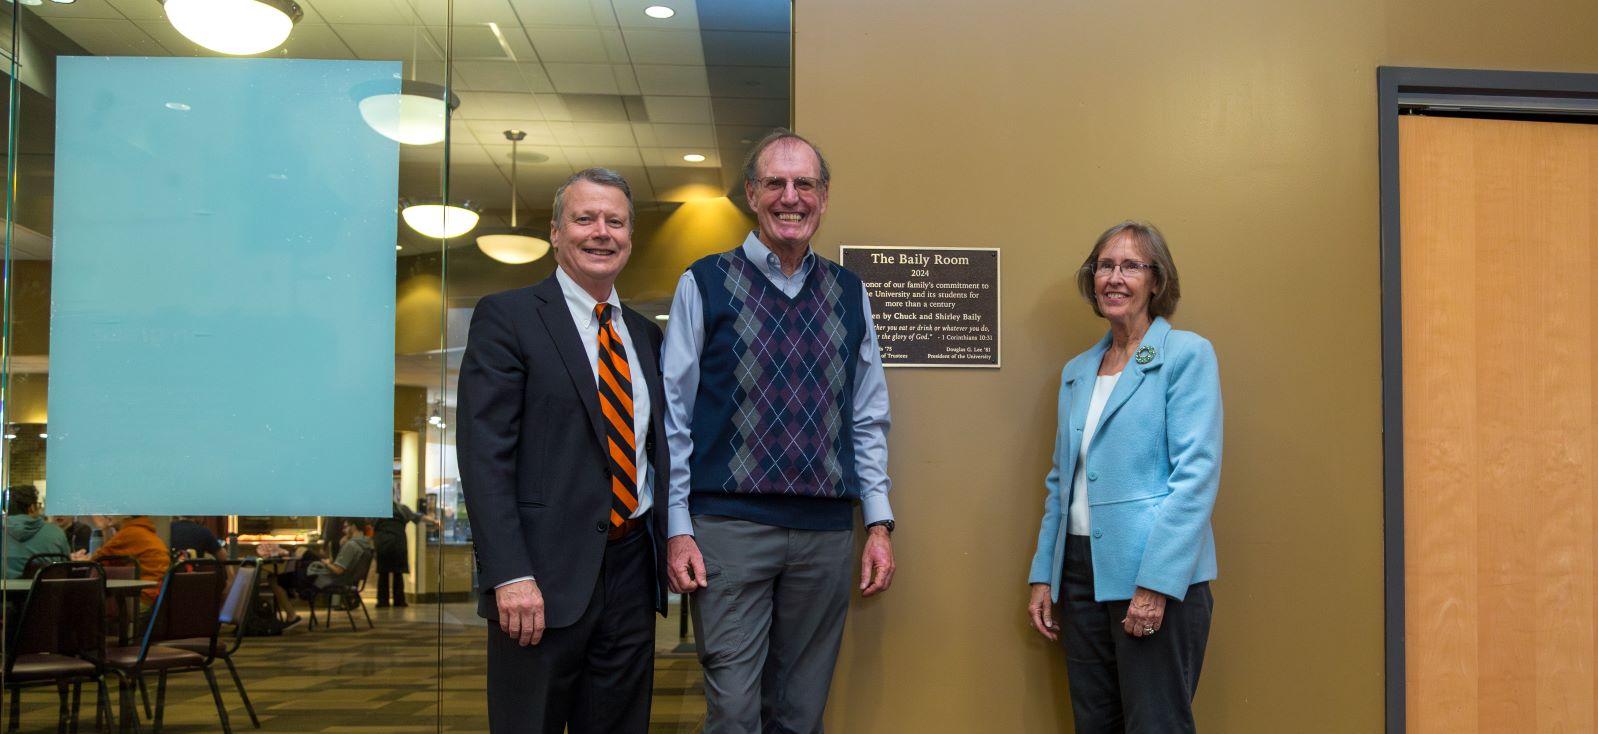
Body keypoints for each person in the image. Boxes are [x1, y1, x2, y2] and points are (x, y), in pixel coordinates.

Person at [661, 129, 897, 733]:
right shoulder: (704, 282)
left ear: (823, 195)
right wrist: (679, 528)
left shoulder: (848, 291)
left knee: (799, 714)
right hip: (729, 532)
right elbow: (674, 418)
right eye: (775, 183)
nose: (790, 197)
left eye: (805, 184)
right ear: (751, 194)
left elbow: (867, 415)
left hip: (823, 534)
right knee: (735, 712)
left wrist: (878, 522)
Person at [458, 167, 670, 734]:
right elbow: (485, 458)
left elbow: (656, 455)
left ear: (630, 236)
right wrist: (508, 574)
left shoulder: (647, 337)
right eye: (584, 218)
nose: (601, 232)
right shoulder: (508, 318)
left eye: (615, 221)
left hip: (630, 570)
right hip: (538, 580)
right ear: (555, 232)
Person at [1026, 221, 1223, 733]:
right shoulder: (1077, 371)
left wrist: (1155, 583)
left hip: (1152, 572)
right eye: (1105, 266)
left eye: (1130, 266)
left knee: (1155, 724)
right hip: (1078, 573)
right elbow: (1060, 482)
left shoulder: (1186, 355)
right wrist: (1044, 572)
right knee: (1095, 723)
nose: (1114, 277)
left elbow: (1195, 476)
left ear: (1156, 281)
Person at [74, 515, 171, 606]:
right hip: (157, 597)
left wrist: (104, 528)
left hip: (142, 599)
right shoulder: (142, 529)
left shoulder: (130, 532)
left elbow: (96, 561)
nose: (107, 514)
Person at [372, 484, 440, 608]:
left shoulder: (377, 509)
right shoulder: (401, 508)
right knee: (398, 574)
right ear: (394, 494)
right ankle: (399, 600)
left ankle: (383, 601)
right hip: (399, 544)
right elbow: (418, 517)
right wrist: (434, 521)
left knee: (383, 574)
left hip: (383, 544)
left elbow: (368, 522)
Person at [281, 520, 372, 601]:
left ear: (353, 527)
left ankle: (293, 609)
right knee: (303, 556)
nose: (343, 530)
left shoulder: (351, 545)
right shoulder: (364, 544)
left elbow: (338, 570)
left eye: (346, 527)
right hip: (342, 579)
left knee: (278, 580)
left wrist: (327, 563)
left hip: (332, 580)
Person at [4, 485, 72, 578]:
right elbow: (67, 568)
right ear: (32, 508)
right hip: (45, 591)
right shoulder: (56, 532)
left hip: (5, 592)